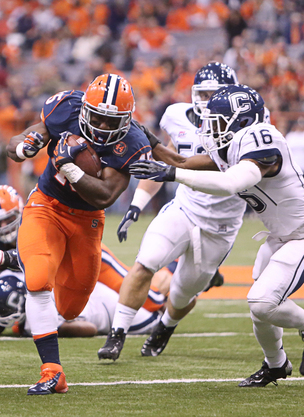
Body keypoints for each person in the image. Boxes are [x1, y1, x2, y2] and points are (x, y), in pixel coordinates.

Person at [129, 83, 304, 387]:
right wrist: (152, 143)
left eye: (219, 122)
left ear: (243, 121)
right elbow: (182, 161)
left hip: (300, 236)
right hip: (279, 236)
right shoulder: (231, 145)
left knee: (262, 302)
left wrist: (171, 175)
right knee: (260, 310)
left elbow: (231, 183)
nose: (211, 130)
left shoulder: (261, 138)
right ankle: (276, 364)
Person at [6, 73, 153, 395]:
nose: (101, 124)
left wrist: (69, 167)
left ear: (127, 119)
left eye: (109, 119)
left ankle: (38, 273)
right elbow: (22, 139)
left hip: (87, 220)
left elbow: (104, 196)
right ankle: (52, 371)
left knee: (71, 307)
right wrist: (22, 147)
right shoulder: (67, 108)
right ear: (84, 108)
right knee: (38, 279)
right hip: (47, 205)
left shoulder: (132, 142)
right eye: (97, 115)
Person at [98, 62, 247, 362]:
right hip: (185, 207)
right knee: (145, 261)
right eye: (202, 94)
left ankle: (166, 325)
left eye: (214, 95)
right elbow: (168, 160)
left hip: (220, 225)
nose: (207, 102)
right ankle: (117, 334)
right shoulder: (178, 117)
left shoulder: (244, 129)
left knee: (182, 293)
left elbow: (196, 171)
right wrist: (136, 205)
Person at [0, 243, 174, 338]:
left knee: (156, 300)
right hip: (88, 284)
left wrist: (49, 329)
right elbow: (1, 309)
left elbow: (88, 329)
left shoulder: (36, 311)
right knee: (147, 291)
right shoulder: (17, 281)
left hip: (89, 260)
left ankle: (181, 274)